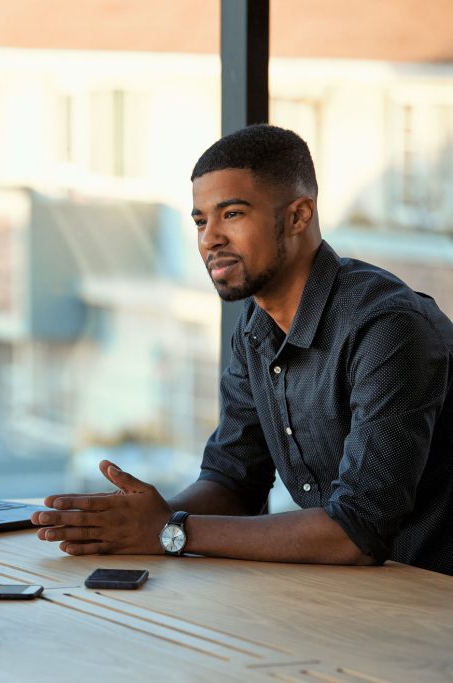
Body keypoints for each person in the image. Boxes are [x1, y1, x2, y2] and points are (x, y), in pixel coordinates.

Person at [32, 124, 453, 576]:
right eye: (200, 220)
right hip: (355, 601)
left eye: (231, 214)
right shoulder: (256, 328)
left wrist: (170, 531)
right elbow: (232, 482)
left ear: (298, 216)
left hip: (432, 608)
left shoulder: (387, 329)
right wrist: (134, 522)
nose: (210, 238)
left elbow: (358, 531)